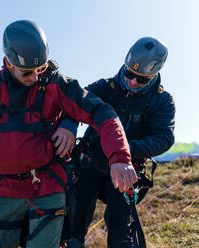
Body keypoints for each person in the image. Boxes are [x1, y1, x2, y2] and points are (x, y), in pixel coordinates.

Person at [0, 20, 136, 248]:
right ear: (9, 64)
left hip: (48, 185)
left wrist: (120, 158)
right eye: (27, 72)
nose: (36, 77)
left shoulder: (57, 85)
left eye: (41, 68)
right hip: (4, 188)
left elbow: (102, 111)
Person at [61, 37, 175, 247]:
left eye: (141, 80)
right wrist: (68, 126)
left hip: (128, 169)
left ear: (155, 75)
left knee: (122, 227)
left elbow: (164, 138)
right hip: (90, 163)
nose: (132, 82)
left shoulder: (162, 100)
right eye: (129, 74)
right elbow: (73, 104)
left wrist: (124, 149)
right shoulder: (104, 87)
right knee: (74, 222)